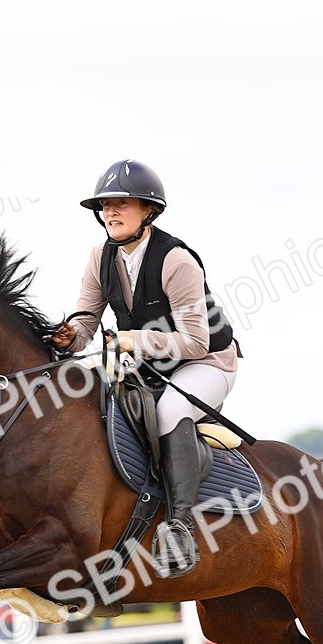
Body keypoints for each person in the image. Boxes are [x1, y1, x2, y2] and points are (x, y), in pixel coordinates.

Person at [50, 159, 240, 578]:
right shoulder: (100, 257)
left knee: (170, 410)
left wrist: (134, 340)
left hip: (207, 362)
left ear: (148, 210)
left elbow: (195, 342)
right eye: (105, 205)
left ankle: (180, 528)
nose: (110, 212)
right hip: (150, 366)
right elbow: (86, 322)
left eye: (122, 203)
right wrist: (69, 336)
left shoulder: (176, 260)